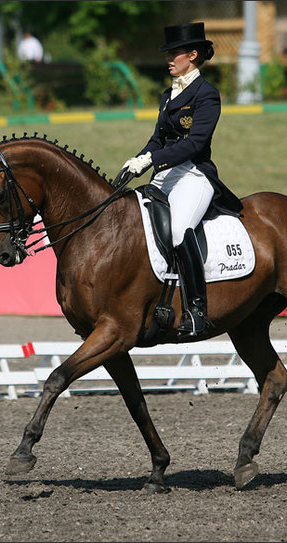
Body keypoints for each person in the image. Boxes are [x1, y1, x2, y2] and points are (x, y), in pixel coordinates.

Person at [121, 22, 243, 338]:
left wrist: (153, 160)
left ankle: (197, 309)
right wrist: (138, 160)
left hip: (194, 174)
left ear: (192, 54)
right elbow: (158, 139)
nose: (169, 59)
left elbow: (195, 143)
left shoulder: (207, 94)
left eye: (175, 53)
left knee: (178, 230)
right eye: (168, 53)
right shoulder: (167, 94)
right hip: (166, 174)